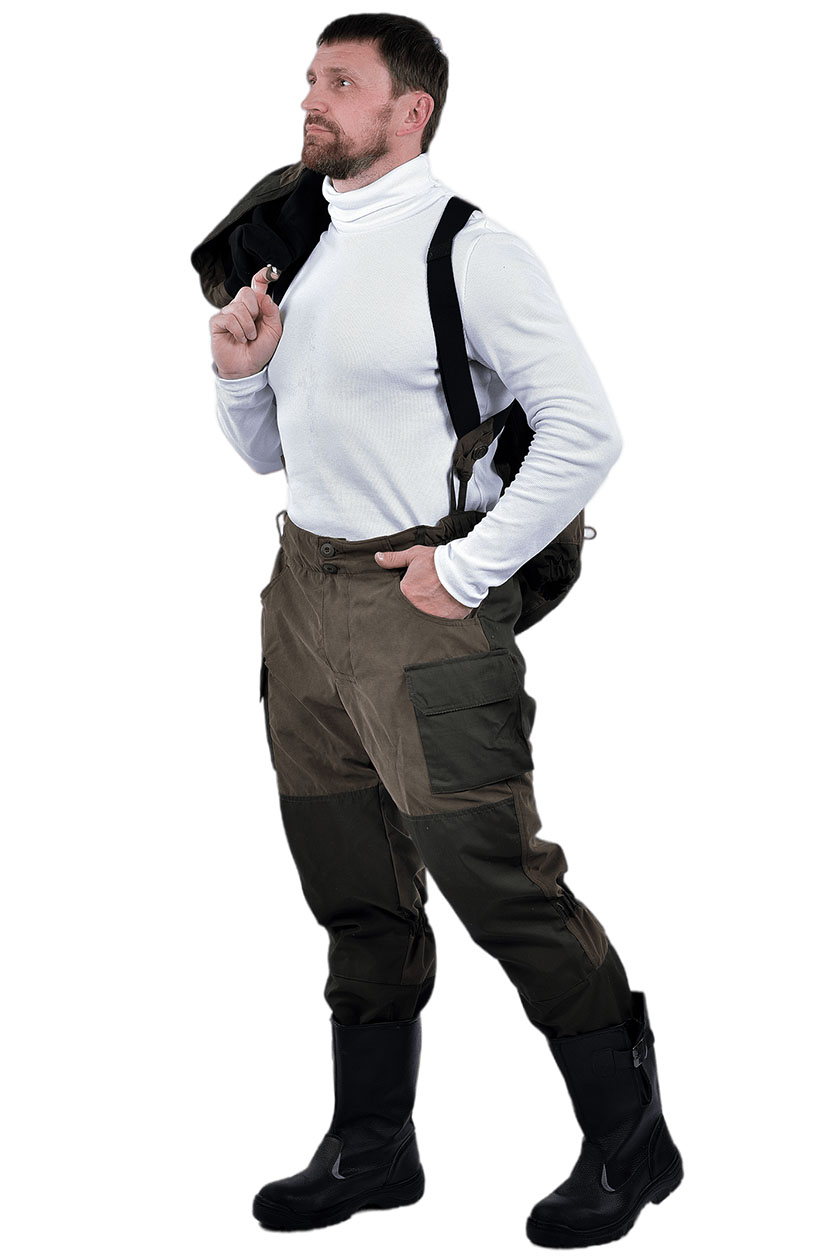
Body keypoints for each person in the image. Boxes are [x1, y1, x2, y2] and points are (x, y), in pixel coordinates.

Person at [207, 12, 683, 1248]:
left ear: (410, 110)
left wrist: (466, 569)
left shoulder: (472, 249)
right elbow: (270, 455)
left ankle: (630, 1143)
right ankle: (373, 1148)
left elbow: (586, 430)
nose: (312, 99)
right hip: (302, 602)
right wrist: (239, 374)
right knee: (353, 890)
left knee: (500, 885)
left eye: (341, 82)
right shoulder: (302, 247)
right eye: (310, 78)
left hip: (418, 611)